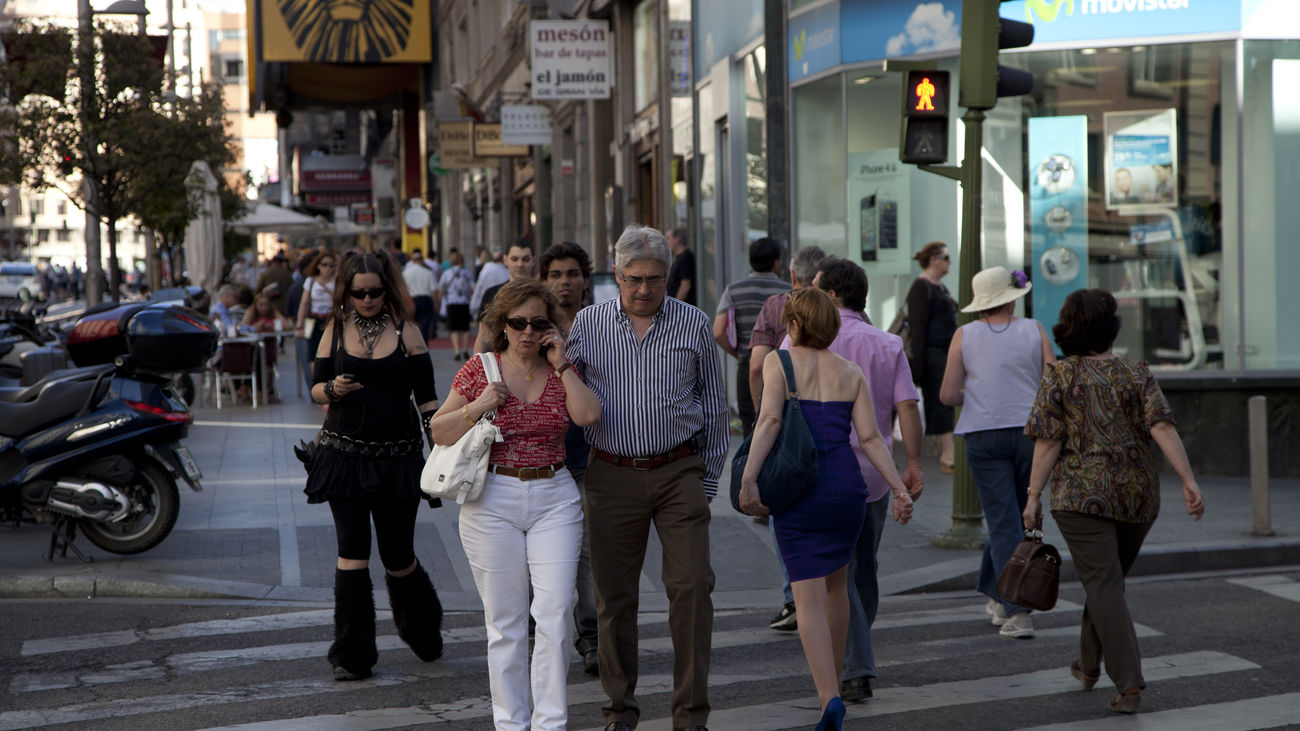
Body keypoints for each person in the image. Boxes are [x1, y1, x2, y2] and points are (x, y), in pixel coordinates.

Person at [564, 224, 728, 731]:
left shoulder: (693, 323)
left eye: (655, 279)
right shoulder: (588, 324)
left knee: (692, 588)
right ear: (616, 274)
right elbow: (562, 390)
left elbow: (714, 406)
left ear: (668, 276)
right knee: (613, 598)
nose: (643, 289)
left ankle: (691, 716)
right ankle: (620, 710)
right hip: (611, 473)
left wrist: (706, 481)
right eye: (634, 279)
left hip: (679, 470)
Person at [1023, 288, 1205, 715]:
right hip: (1137, 497)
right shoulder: (1136, 372)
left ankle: (1129, 683)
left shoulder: (1059, 376)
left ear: (1068, 328)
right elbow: (1162, 427)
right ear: (1112, 328)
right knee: (1106, 582)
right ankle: (1087, 665)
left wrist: (1032, 497)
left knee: (1103, 584)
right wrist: (1188, 480)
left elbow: (1048, 442)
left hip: (1079, 498)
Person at [739, 287, 914, 731]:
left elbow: (770, 420)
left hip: (801, 490)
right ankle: (834, 682)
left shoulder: (779, 362)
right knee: (837, 587)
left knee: (807, 598)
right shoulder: (851, 371)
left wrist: (747, 478)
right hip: (847, 489)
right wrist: (898, 489)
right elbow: (871, 438)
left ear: (795, 325)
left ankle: (828, 698)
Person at [430, 279, 601, 730]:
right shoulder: (480, 369)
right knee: (505, 622)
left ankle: (550, 723)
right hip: (492, 497)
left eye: (538, 323)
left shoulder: (561, 368)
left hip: (554, 495)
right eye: (518, 322)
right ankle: (510, 724)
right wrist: (479, 406)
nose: (527, 331)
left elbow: (588, 415)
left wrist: (562, 364)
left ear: (550, 327)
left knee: (556, 613)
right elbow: (439, 430)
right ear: (501, 324)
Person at [304, 249, 445, 682]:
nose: (367, 300)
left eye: (375, 292)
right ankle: (351, 653)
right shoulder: (334, 328)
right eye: (359, 293)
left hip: (397, 459)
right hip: (343, 456)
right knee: (352, 550)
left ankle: (422, 628)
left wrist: (441, 448)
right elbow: (314, 388)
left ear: (388, 290)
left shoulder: (407, 331)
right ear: (346, 292)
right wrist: (333, 389)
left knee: (397, 553)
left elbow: (427, 399)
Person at [802, 259, 924, 703]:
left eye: (817, 288)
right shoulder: (887, 343)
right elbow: (907, 406)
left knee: (839, 573)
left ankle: (853, 665)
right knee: (862, 568)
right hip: (875, 472)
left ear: (832, 295)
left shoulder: (803, 337)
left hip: (820, 469)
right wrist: (913, 463)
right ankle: (855, 655)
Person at [939, 266, 1055, 639]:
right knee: (1015, 517)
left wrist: (976, 393)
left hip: (983, 433)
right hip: (1030, 434)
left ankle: (1016, 610)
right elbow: (1053, 382)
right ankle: (999, 595)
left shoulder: (964, 334)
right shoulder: (1034, 329)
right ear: (1012, 298)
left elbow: (947, 395)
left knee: (1002, 518)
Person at [748, 245, 828, 633]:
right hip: (834, 436)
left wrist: (760, 415)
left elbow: (755, 367)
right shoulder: (839, 311)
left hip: (787, 433)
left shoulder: (777, 307)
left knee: (786, 516)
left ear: (793, 277)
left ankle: (793, 597)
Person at [538, 241, 601, 676]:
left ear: (586, 280)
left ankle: (592, 636)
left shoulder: (600, 326)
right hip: (541, 455)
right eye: (556, 274)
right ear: (544, 280)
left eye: (573, 274)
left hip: (589, 453)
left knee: (588, 551)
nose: (565, 282)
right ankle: (541, 627)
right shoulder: (531, 325)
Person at [713, 237, 791, 437]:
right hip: (783, 367)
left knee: (752, 430)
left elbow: (718, 332)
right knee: (783, 427)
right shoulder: (788, 292)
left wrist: (739, 354)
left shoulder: (733, 290)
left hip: (748, 366)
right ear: (776, 263)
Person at [906, 241, 957, 472]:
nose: (949, 262)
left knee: (944, 400)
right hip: (932, 353)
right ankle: (948, 454)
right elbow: (918, 327)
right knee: (940, 401)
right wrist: (918, 364)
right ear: (934, 260)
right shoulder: (921, 287)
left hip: (944, 351)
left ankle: (949, 452)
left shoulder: (939, 287)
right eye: (946, 258)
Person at [474, 238, 535, 354]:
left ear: (533, 261)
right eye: (515, 259)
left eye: (525, 259)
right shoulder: (492, 294)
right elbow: (482, 337)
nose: (520, 264)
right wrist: (477, 363)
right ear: (505, 260)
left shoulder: (542, 296)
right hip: (499, 360)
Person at [295, 251, 337, 389]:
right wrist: (299, 325)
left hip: (330, 320)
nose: (328, 268)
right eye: (324, 265)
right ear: (318, 265)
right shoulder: (311, 281)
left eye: (331, 265)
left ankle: (330, 385)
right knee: (312, 355)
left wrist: (330, 292)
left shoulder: (336, 281)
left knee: (331, 353)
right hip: (313, 320)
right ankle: (318, 386)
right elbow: (304, 303)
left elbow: (341, 301)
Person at [242, 293, 293, 403]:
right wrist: (255, 327)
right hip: (252, 349)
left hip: (268, 350)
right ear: (256, 305)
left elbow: (288, 327)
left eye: (266, 304)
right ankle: (259, 391)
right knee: (256, 358)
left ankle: (251, 389)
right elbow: (242, 328)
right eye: (261, 304)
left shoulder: (273, 314)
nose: (264, 307)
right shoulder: (251, 313)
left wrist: (276, 314)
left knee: (259, 357)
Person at [439, 249, 476, 361]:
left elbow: (441, 288)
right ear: (462, 260)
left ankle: (457, 351)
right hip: (464, 303)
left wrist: (441, 299)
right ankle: (465, 349)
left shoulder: (446, 273)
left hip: (451, 303)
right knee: (465, 328)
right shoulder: (466, 273)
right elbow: (473, 288)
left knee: (454, 328)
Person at [403, 249, 438, 343]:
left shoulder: (406, 273)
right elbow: (434, 290)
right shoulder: (428, 272)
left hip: (411, 299)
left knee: (412, 324)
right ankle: (423, 344)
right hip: (425, 299)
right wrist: (436, 304)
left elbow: (403, 290)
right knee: (425, 325)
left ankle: (414, 343)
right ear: (422, 260)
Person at [470, 248, 511, 319]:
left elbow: (479, 289)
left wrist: (474, 308)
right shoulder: (507, 272)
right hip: (502, 309)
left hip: (487, 308)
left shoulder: (487, 269)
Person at [666, 227, 696, 306]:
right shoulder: (679, 258)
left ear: (677, 240)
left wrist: (676, 306)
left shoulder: (686, 257)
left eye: (668, 239)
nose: (666, 243)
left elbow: (685, 285)